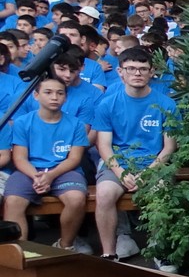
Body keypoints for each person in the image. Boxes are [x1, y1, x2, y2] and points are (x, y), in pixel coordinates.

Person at [89, 47, 178, 260]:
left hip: (154, 163)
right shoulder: (107, 104)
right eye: (131, 68)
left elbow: (169, 147)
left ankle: (159, 250)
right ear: (120, 72)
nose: (137, 73)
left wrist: (148, 173)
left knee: (160, 190)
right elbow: (104, 146)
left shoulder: (166, 104)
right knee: (104, 194)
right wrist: (120, 172)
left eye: (143, 69)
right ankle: (109, 253)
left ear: (152, 72)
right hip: (118, 163)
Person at [1, 74, 90, 249]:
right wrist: (37, 176)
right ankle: (21, 252)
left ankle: (65, 246)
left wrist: (50, 176)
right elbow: (19, 157)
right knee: (13, 201)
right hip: (29, 170)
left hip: (64, 170)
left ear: (66, 97)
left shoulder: (76, 124)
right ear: (36, 95)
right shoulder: (22, 122)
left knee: (76, 199)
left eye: (60, 93)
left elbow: (74, 158)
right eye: (48, 92)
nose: (54, 97)